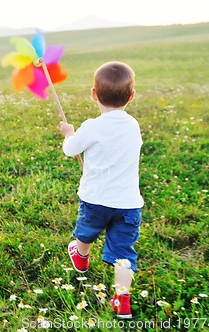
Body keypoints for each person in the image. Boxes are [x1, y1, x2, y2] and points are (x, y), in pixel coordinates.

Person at [60, 61, 144, 319]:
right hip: (128, 204)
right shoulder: (133, 126)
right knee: (123, 252)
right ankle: (122, 301)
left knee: (86, 232)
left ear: (94, 94)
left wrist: (68, 133)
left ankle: (82, 256)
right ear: (131, 96)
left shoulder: (92, 126)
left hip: (96, 200)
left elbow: (70, 149)